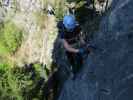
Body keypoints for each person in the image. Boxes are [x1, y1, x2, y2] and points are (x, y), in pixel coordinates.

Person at [57, 15, 90, 79]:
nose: (71, 29)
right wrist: (78, 51)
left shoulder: (76, 26)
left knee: (80, 46)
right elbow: (67, 48)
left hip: (74, 39)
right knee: (70, 57)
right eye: (70, 29)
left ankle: (84, 53)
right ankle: (73, 69)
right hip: (68, 44)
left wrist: (84, 43)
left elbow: (80, 35)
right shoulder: (62, 33)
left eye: (72, 28)